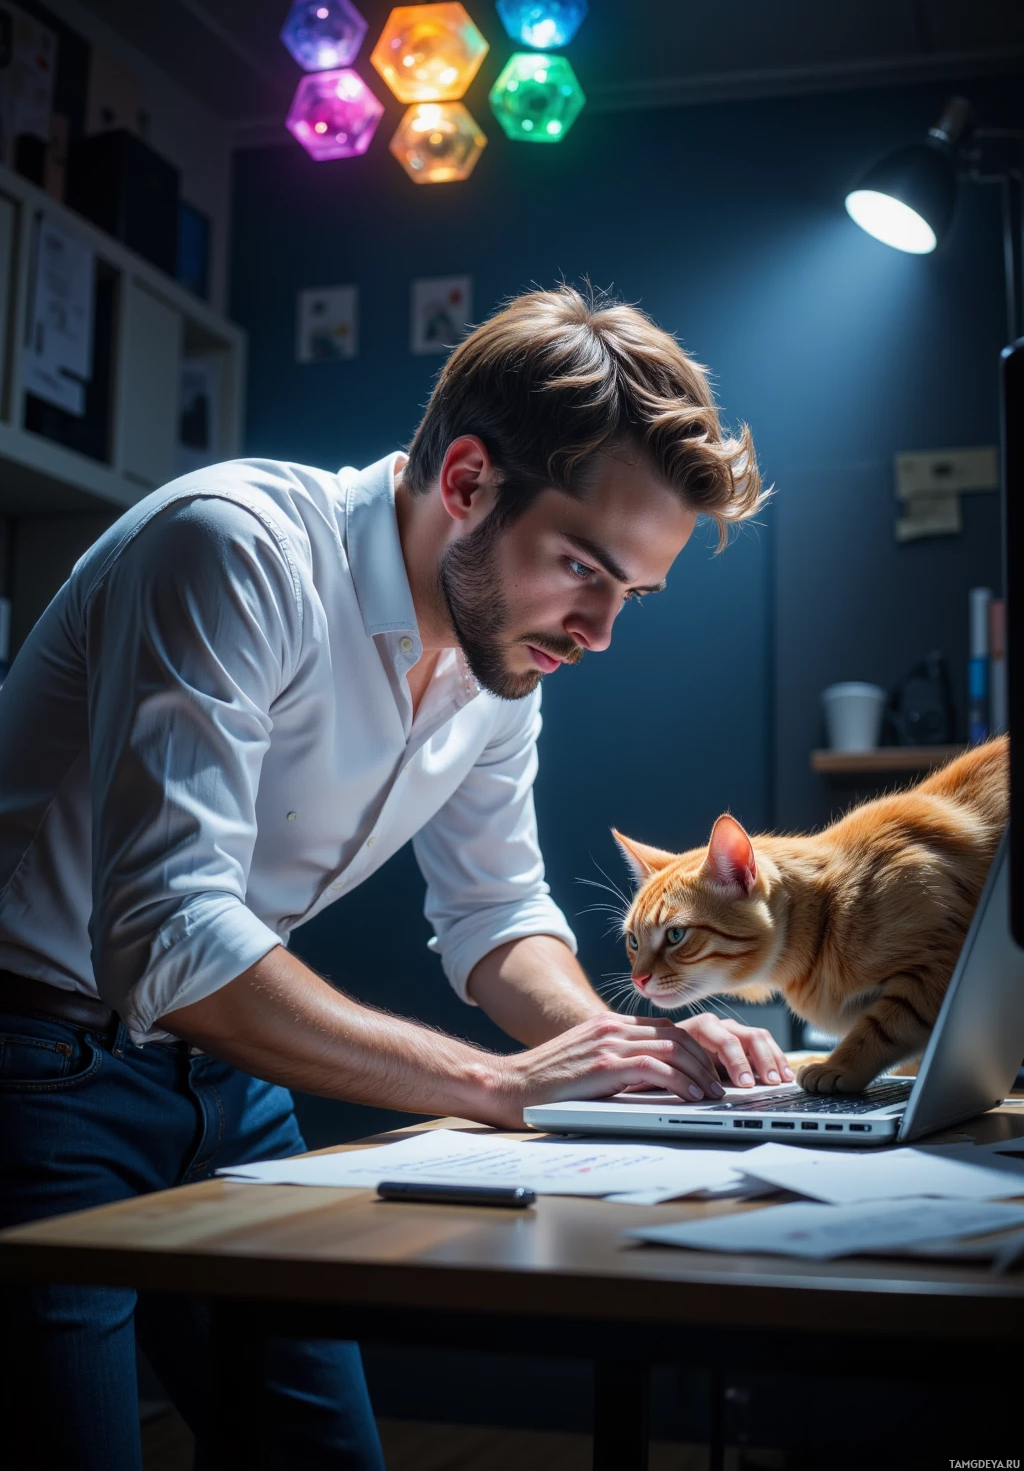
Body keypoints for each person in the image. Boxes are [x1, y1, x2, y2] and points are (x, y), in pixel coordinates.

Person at [0, 286, 791, 1468]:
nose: (599, 632)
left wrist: (619, 1060)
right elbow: (166, 930)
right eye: (582, 566)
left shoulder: (503, 654)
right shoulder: (235, 548)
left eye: (632, 592)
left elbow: (495, 912)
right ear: (465, 481)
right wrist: (496, 1082)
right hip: (30, 1069)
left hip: (219, 1069)